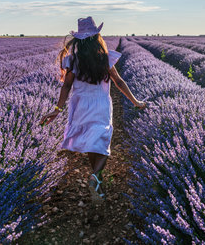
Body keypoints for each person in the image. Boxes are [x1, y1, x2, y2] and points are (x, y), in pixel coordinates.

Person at [39, 16, 146, 203]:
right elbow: (119, 82)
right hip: (100, 104)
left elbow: (66, 86)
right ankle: (96, 176)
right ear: (97, 38)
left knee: (91, 141)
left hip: (80, 104)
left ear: (79, 41)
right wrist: (135, 101)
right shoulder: (105, 58)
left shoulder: (72, 60)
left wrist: (57, 108)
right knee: (103, 139)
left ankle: (97, 181)